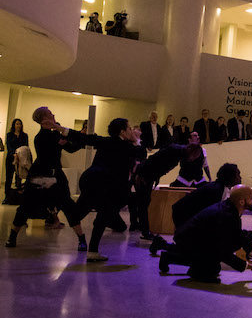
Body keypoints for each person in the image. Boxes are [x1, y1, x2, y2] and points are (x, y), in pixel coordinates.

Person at [45, 117, 140, 261]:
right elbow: (142, 153)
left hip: (90, 180)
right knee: (101, 217)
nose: (131, 130)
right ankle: (92, 251)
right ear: (122, 132)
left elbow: (84, 138)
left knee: (79, 213)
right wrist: (135, 140)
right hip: (104, 186)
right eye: (129, 128)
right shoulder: (126, 147)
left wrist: (59, 128)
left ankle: (60, 203)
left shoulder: (106, 141)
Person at [6, 108, 87, 250]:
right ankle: (12, 237)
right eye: (50, 114)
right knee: (26, 206)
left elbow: (70, 148)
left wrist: (81, 139)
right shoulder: (42, 136)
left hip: (55, 174)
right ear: (44, 119)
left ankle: (81, 239)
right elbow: (50, 150)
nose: (54, 115)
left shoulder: (55, 133)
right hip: (40, 175)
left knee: (68, 205)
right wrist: (62, 139)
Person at [157, 185, 252, 283]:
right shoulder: (227, 216)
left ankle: (170, 256)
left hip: (195, 238)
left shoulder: (231, 208)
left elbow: (238, 235)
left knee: (216, 262)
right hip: (188, 240)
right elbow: (222, 252)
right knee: (212, 269)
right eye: (251, 198)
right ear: (241, 201)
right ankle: (186, 265)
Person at [134, 142, 203, 239]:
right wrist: (140, 174)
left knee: (144, 202)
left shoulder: (177, 152)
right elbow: (153, 160)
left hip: (148, 176)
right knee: (143, 203)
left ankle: (141, 228)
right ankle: (144, 231)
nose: (192, 159)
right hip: (145, 176)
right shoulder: (174, 151)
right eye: (193, 156)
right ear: (190, 150)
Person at [170, 163, 242, 231]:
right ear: (231, 177)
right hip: (183, 215)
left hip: (186, 215)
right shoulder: (216, 190)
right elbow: (211, 215)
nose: (240, 177)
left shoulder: (221, 188)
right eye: (238, 174)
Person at [4, 119, 28, 204]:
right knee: (9, 177)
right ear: (14, 125)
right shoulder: (9, 135)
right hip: (11, 158)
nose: (18, 126)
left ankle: (18, 197)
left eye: (20, 124)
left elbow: (25, 147)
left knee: (19, 178)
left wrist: (19, 154)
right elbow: (8, 146)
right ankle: (7, 197)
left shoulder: (24, 135)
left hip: (20, 159)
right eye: (17, 124)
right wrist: (14, 154)